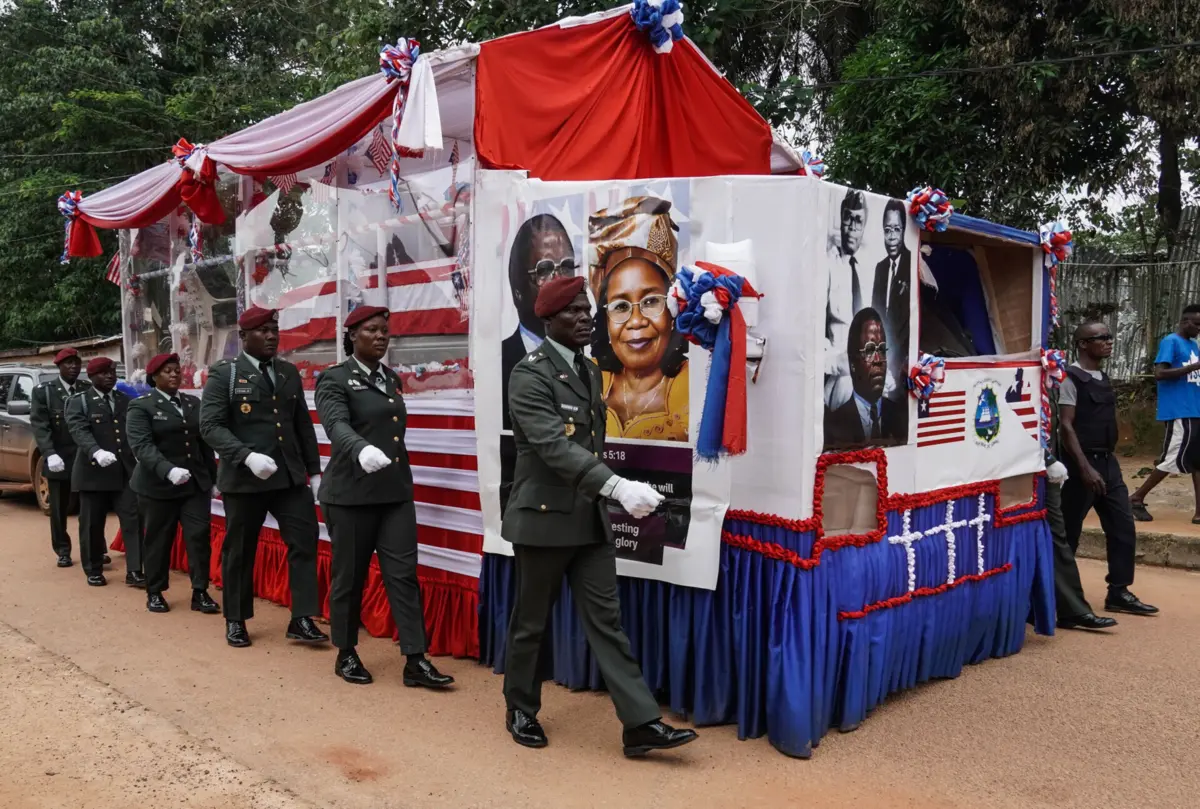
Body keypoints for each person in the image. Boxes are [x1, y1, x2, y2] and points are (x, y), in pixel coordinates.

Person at [502, 275, 698, 757]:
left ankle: (640, 724)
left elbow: (589, 446)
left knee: (607, 622)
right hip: (544, 518)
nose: (587, 317)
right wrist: (616, 486)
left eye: (588, 308)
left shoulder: (589, 371)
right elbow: (552, 446)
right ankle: (520, 707)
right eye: (574, 311)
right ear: (548, 319)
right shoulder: (529, 374)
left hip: (588, 519)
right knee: (532, 622)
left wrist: (606, 492)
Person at [315, 305, 454, 689]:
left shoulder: (391, 379)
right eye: (372, 330)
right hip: (350, 495)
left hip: (393, 492)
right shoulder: (335, 379)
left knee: (403, 575)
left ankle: (415, 658)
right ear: (352, 336)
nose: (381, 337)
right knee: (350, 576)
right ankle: (345, 652)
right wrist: (359, 449)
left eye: (385, 332)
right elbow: (335, 424)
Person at [199, 306, 329, 648]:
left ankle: (301, 617)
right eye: (263, 331)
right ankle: (236, 619)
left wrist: (314, 473)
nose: (272, 336)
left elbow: (302, 425)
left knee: (304, 541)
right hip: (245, 480)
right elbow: (210, 426)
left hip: (288, 477)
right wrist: (246, 456)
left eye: (275, 329)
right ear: (243, 337)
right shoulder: (225, 374)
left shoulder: (287, 372)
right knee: (240, 549)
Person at [1059, 321, 1158, 616]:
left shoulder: (1102, 377)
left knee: (1123, 527)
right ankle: (1063, 601)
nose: (1108, 341)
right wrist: (1085, 469)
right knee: (1069, 534)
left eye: (1108, 336)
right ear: (1082, 344)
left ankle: (1118, 591)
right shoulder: (1070, 378)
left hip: (1109, 464)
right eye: (1100, 338)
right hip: (1081, 467)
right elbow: (1065, 426)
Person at [588, 196, 689, 441]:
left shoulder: (693, 386)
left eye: (651, 301)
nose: (636, 321)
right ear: (605, 319)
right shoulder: (585, 377)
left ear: (672, 308)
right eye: (621, 306)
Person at [127, 353, 220, 615]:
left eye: (177, 370)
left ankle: (200, 591)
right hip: (157, 486)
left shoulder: (192, 403)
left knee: (199, 537)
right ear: (154, 377)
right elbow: (142, 446)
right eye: (167, 371)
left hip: (193, 485)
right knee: (158, 539)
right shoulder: (141, 406)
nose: (174, 375)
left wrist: (213, 479)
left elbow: (203, 444)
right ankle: (155, 591)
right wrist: (167, 470)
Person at [64, 357, 141, 588]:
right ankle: (94, 568)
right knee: (92, 523)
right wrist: (96, 452)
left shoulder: (125, 400)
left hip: (124, 471)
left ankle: (136, 570)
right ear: (91, 377)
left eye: (112, 372)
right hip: (93, 472)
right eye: (103, 373)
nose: (110, 376)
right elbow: (79, 430)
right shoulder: (80, 402)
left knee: (133, 519)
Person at [1044, 392, 1117, 631]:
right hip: (1019, 464)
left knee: (1058, 538)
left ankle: (1072, 609)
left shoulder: (1047, 368)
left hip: (1045, 468)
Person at [502, 214, 575, 431]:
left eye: (567, 267)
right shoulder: (499, 364)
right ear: (517, 291)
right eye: (544, 270)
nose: (560, 281)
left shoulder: (588, 364)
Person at [1129, 304, 1200, 522]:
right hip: (1179, 411)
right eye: (1196, 324)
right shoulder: (1171, 341)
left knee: (1198, 462)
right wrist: (1192, 368)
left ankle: (1199, 513)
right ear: (1185, 322)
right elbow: (1159, 373)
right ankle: (1136, 498)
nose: (1199, 328)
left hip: (1194, 410)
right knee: (1172, 458)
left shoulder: (1193, 345)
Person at [31, 348, 94, 568]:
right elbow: (40, 426)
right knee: (59, 508)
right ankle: (62, 550)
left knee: (92, 505)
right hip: (60, 457)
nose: (74, 367)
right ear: (58, 366)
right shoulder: (44, 392)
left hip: (85, 457)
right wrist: (49, 454)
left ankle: (96, 548)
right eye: (68, 363)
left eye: (76, 362)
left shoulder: (87, 389)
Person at [824, 307, 905, 448]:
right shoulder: (834, 426)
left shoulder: (900, 417)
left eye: (881, 349)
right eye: (870, 350)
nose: (878, 359)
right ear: (852, 363)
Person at [825, 189, 871, 411]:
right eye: (848, 218)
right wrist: (834, 363)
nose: (852, 227)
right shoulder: (828, 264)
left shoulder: (869, 270)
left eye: (858, 221)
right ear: (841, 218)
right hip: (837, 374)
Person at [871, 199, 911, 387]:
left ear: (904, 230)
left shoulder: (913, 264)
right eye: (887, 230)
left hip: (904, 369)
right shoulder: (880, 268)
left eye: (896, 229)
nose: (892, 237)